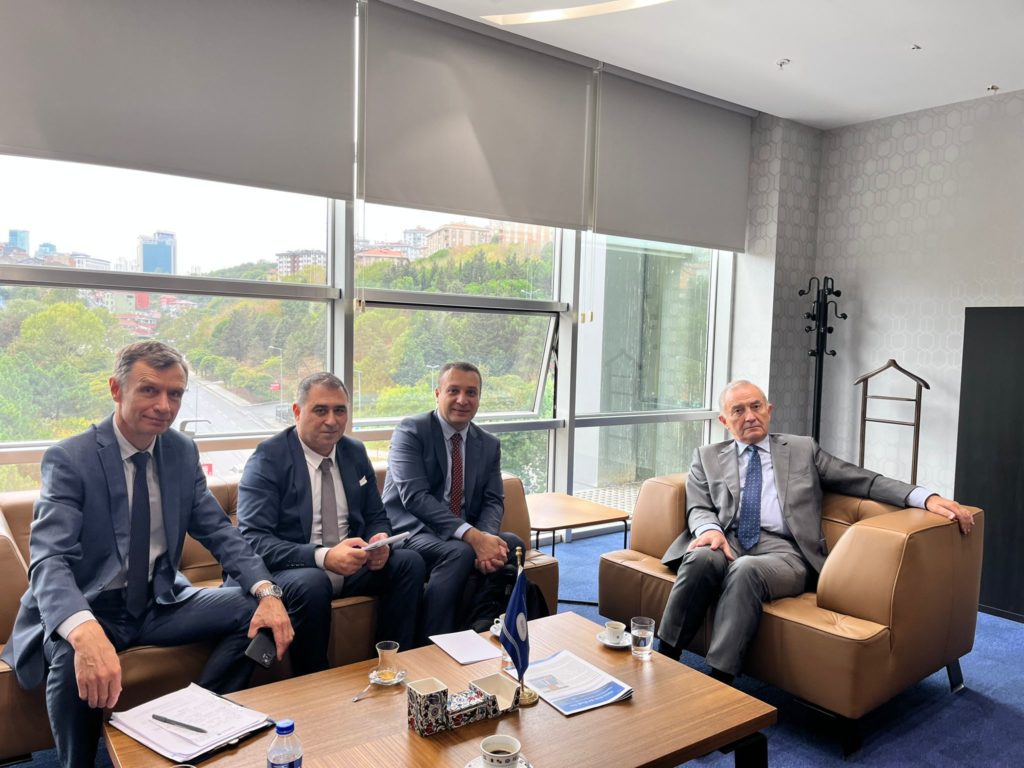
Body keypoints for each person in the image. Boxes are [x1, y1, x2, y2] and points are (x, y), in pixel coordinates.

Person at [1, 341, 293, 767]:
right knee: (72, 653)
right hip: (92, 604)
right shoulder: (71, 458)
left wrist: (267, 591)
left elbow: (218, 531)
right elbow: (49, 560)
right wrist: (84, 630)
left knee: (255, 611)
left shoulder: (181, 452)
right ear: (116, 389)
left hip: (159, 602)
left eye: (175, 394)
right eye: (149, 390)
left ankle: (196, 722)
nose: (164, 406)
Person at [657, 379, 973, 681]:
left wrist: (924, 497)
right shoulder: (707, 457)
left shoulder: (802, 449)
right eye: (738, 410)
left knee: (745, 570)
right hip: (728, 539)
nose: (750, 416)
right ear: (724, 421)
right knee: (700, 558)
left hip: (786, 553)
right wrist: (710, 529)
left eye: (756, 406)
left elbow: (863, 480)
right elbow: (698, 505)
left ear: (769, 410)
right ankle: (663, 659)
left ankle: (719, 681)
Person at [236, 372, 425, 672]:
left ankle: (390, 666)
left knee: (409, 562)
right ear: (297, 411)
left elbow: (376, 515)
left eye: (340, 410)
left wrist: (379, 540)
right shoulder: (268, 458)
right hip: (293, 570)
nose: (332, 421)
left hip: (350, 565)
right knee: (313, 582)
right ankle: (315, 680)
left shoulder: (354, 452)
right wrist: (323, 556)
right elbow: (254, 540)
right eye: (320, 410)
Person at [382, 362, 524, 639]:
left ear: (479, 397)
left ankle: (482, 627)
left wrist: (486, 539)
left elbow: (493, 500)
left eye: (471, 392)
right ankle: (433, 642)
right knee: (459, 552)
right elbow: (415, 497)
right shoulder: (411, 432)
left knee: (511, 545)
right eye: (453, 391)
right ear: (438, 394)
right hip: (411, 530)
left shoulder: (488, 443)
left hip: (459, 532)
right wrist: (474, 538)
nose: (462, 400)